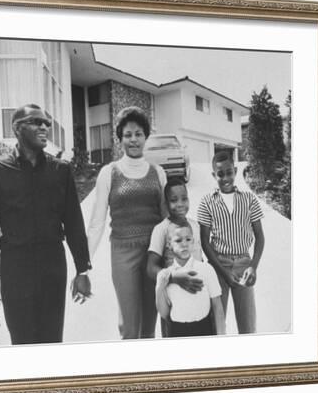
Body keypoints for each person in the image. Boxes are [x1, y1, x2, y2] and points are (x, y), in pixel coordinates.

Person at [0, 104, 92, 345]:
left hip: (52, 268)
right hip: (16, 271)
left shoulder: (61, 170)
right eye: (36, 122)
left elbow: (74, 223)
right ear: (17, 128)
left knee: (52, 341)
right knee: (22, 343)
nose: (44, 127)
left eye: (46, 123)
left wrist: (82, 269)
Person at [87, 106, 166, 339]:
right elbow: (97, 223)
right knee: (130, 326)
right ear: (120, 138)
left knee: (150, 325)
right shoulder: (109, 172)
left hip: (153, 252)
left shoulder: (158, 172)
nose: (133, 140)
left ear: (146, 137)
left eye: (138, 134)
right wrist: (84, 264)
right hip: (123, 254)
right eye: (128, 134)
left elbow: (167, 220)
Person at [197, 151, 265, 334]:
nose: (225, 178)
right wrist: (224, 272)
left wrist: (253, 266)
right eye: (220, 174)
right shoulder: (207, 202)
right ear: (213, 175)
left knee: (248, 326)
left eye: (229, 172)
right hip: (219, 266)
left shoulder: (249, 199)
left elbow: (260, 236)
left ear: (235, 171)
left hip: (244, 264)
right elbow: (204, 241)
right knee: (217, 325)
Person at [147, 178, 205, 336]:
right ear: (166, 204)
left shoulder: (195, 226)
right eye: (174, 200)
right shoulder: (161, 229)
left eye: (184, 198)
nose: (180, 204)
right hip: (173, 298)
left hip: (197, 295)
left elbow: (200, 259)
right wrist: (173, 277)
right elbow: (151, 268)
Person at [155, 221, 226, 337]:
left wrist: (221, 337)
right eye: (178, 240)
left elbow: (217, 307)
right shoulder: (167, 275)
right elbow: (165, 313)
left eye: (188, 239)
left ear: (193, 241)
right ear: (169, 244)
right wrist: (159, 288)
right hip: (177, 331)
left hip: (204, 329)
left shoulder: (206, 269)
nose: (184, 244)